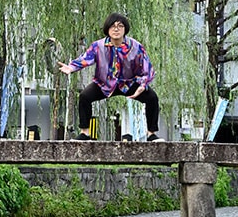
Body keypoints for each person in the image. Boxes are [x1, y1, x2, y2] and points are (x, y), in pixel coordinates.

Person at [57, 12, 163, 142]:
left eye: (120, 26)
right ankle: (85, 133)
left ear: (125, 29)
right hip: (105, 83)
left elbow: (147, 68)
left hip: (128, 83)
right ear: (107, 29)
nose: (116, 29)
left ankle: (151, 134)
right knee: (85, 96)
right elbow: (86, 59)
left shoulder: (136, 47)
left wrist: (142, 85)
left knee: (152, 98)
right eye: (113, 26)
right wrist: (71, 67)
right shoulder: (98, 46)